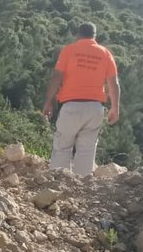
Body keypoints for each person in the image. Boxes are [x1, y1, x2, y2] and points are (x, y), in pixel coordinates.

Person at [42, 22, 120, 176]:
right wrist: (115, 108)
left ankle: (58, 183)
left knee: (63, 146)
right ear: (94, 36)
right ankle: (82, 188)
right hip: (95, 108)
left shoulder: (69, 50)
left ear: (78, 34)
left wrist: (48, 101)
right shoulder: (105, 54)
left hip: (71, 106)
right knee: (86, 150)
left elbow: (57, 77)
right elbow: (114, 83)